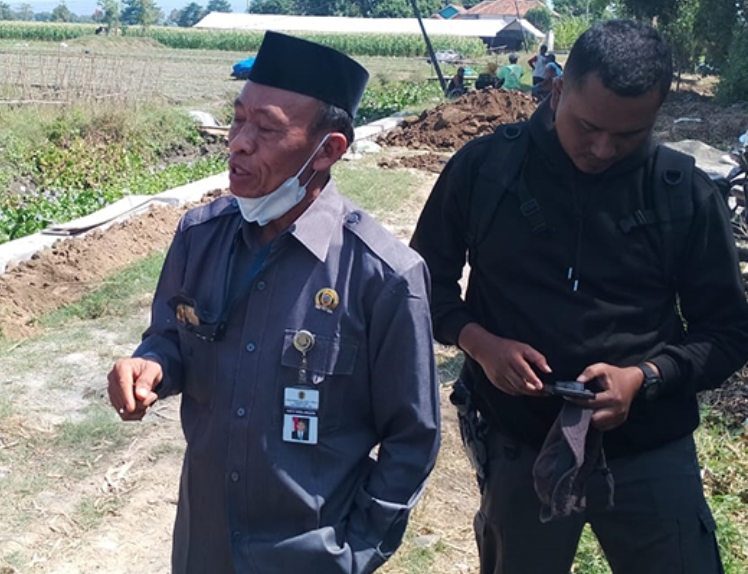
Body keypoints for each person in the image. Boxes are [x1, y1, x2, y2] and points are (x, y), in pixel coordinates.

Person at [411, 19, 748, 574]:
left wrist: (645, 377)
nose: (602, 148)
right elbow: (423, 284)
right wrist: (481, 344)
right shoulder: (487, 168)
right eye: (588, 126)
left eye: (629, 134)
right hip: (518, 444)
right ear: (557, 89)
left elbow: (729, 333)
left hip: (649, 450)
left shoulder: (681, 193)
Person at [107, 30, 440, 574]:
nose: (238, 142)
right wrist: (151, 364)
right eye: (238, 119)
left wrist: (353, 551)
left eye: (266, 129)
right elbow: (170, 338)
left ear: (327, 150)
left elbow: (412, 439)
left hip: (310, 556)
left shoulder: (384, 276)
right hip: (204, 545)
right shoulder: (199, 237)